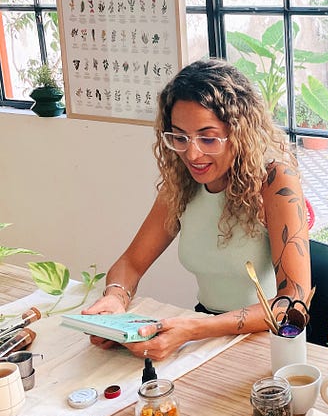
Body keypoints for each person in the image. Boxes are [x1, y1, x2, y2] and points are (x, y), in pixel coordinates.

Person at [83, 58, 311, 361]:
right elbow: (130, 264)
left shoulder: (273, 180)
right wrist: (115, 297)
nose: (192, 153)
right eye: (180, 137)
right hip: (203, 331)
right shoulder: (182, 183)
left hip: (269, 341)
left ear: (240, 133)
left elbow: (293, 302)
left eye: (208, 138)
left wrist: (195, 329)